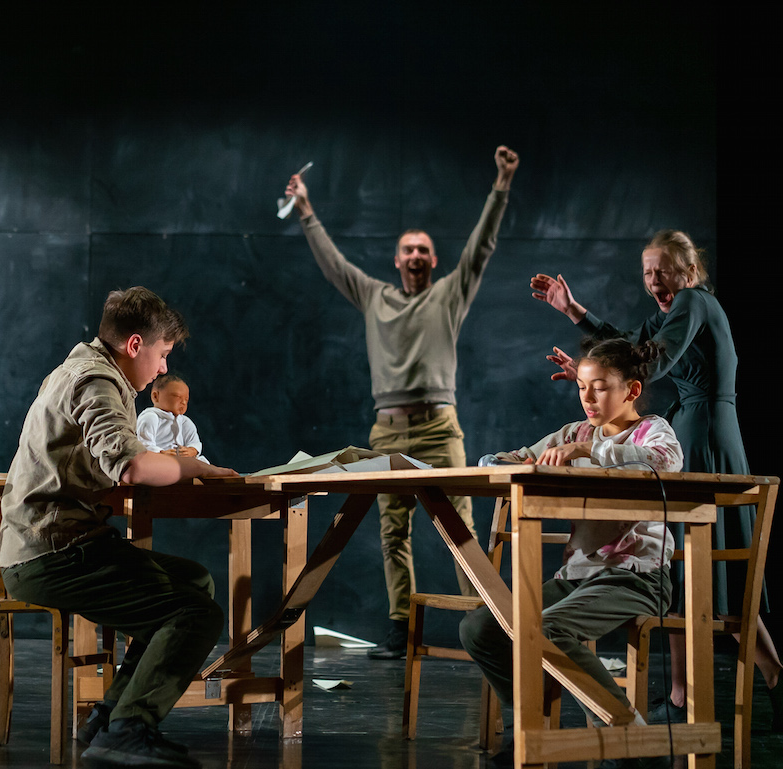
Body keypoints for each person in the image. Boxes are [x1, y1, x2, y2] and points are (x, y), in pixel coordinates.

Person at [530, 230, 782, 729]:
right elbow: (627, 347)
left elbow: (649, 360)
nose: (653, 282)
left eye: (661, 270)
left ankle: (751, 680)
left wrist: (597, 373)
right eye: (646, 272)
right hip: (695, 424)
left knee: (706, 571)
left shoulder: (693, 301)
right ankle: (693, 692)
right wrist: (577, 321)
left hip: (704, 432)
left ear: (688, 271)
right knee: (692, 572)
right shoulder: (671, 313)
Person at [284, 146, 520, 659]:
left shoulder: (450, 295)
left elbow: (480, 248)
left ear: (433, 261)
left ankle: (487, 627)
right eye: (407, 249)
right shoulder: (374, 296)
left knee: (460, 526)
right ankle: (400, 630)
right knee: (394, 531)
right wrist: (305, 210)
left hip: (440, 428)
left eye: (423, 250)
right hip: (387, 431)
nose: (415, 256)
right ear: (397, 260)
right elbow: (333, 264)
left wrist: (500, 184)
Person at [0, 287, 238, 768]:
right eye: (162, 354)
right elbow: (129, 467)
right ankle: (130, 729)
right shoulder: (97, 381)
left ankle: (107, 719)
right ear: (135, 345)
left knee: (193, 582)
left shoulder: (81, 368)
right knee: (198, 614)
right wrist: (194, 469)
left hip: (58, 544)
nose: (163, 369)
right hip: (53, 551)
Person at [463, 337, 682, 730]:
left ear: (632, 390)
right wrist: (502, 461)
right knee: (481, 628)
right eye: (582, 387)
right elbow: (522, 456)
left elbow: (665, 462)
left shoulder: (651, 431)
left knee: (548, 628)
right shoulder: (576, 431)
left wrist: (589, 453)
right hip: (579, 576)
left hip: (637, 577)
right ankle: (532, 725)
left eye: (599, 387)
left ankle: (627, 734)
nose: (588, 398)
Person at [137, 374, 209, 462]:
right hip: (159, 460)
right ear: (155, 396)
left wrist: (192, 450)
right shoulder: (151, 417)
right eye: (177, 397)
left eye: (186, 399)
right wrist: (161, 453)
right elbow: (144, 444)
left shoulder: (185, 422)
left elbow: (194, 442)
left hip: (182, 461)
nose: (183, 402)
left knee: (202, 461)